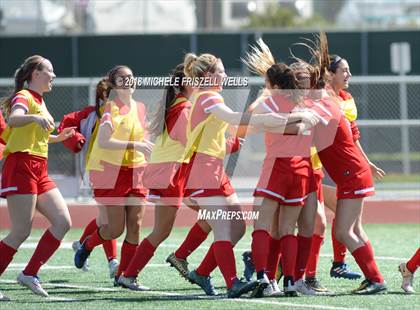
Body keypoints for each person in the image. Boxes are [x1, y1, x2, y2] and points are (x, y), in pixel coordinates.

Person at [302, 33, 387, 295]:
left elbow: (302, 127)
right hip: (354, 173)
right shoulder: (328, 101)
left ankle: (374, 280)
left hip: (352, 174)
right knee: (355, 229)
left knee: (342, 232)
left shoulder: (322, 105)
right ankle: (375, 279)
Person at [0, 55, 74, 298]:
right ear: (35, 74)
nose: (53, 76)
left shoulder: (40, 101)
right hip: (21, 165)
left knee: (63, 222)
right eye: (49, 71)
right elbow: (14, 118)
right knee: (21, 231)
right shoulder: (24, 96)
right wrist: (35, 117)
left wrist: (58, 138)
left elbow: (36, 134)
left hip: (39, 168)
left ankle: (29, 273)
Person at [74, 65, 153, 289]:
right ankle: (88, 245)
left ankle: (125, 276)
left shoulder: (140, 107)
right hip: (111, 171)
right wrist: (136, 144)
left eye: (131, 76)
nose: (129, 81)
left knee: (136, 226)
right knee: (115, 229)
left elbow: (144, 138)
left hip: (136, 170)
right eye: (122, 78)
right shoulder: (111, 108)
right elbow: (104, 141)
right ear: (115, 85)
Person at [58, 77, 119, 279]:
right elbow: (67, 123)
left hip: (122, 171)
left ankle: (82, 244)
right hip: (99, 171)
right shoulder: (91, 115)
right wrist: (75, 138)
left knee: (109, 218)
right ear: (104, 95)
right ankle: (113, 262)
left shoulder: (127, 113)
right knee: (108, 220)